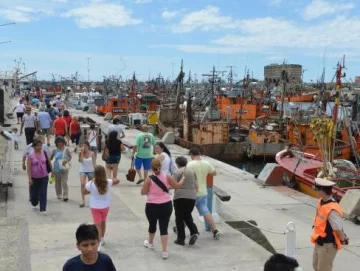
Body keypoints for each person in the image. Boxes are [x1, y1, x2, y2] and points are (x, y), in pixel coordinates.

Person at [140, 158, 185, 259]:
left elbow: (142, 192)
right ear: (161, 166)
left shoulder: (149, 178)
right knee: (164, 227)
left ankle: (150, 243)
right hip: (166, 205)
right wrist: (182, 179)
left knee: (152, 225)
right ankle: (164, 251)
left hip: (151, 206)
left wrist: (149, 191)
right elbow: (177, 186)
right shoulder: (167, 177)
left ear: (151, 168)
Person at [311, 178, 348, 271]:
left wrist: (343, 239)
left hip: (327, 245)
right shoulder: (321, 201)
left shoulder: (332, 209)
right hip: (319, 241)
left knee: (324, 269)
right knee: (316, 266)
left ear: (323, 191)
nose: (315, 191)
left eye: (317, 189)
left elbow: (338, 228)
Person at [83, 166, 120, 251]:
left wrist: (91, 191)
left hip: (95, 207)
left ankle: (98, 243)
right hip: (105, 206)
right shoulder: (108, 182)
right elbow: (117, 180)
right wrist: (110, 177)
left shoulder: (90, 184)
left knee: (97, 225)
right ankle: (102, 238)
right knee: (103, 223)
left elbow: (84, 192)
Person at [187, 147, 220, 239]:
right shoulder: (206, 163)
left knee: (186, 212)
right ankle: (215, 230)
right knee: (205, 211)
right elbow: (214, 173)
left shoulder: (190, 165)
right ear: (199, 154)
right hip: (203, 192)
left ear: (192, 155)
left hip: (192, 192)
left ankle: (179, 228)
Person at [172, 156, 199, 246]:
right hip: (191, 197)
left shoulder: (177, 172)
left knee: (179, 218)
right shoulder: (192, 172)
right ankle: (194, 232)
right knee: (187, 216)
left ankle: (181, 239)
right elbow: (196, 186)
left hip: (180, 197)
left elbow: (173, 184)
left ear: (177, 164)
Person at [27, 138, 52, 215]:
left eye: (40, 145)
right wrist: (30, 178)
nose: (39, 147)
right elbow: (28, 168)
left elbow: (48, 162)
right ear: (34, 147)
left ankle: (43, 209)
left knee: (43, 192)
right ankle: (34, 203)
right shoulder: (30, 155)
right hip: (34, 177)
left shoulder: (44, 153)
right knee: (34, 194)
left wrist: (52, 171)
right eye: (37, 145)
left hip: (44, 176)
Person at [23, 135, 51, 201]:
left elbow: (48, 157)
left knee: (41, 184)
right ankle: (32, 196)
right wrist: (23, 164)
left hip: (43, 170)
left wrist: (49, 167)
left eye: (39, 140)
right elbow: (24, 155)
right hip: (33, 168)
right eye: (36, 140)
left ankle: (40, 196)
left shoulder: (45, 147)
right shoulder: (29, 146)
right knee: (32, 184)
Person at [50, 136, 72, 201]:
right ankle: (59, 194)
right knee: (57, 182)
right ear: (56, 143)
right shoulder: (54, 150)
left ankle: (65, 195)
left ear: (63, 142)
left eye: (61, 142)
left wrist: (67, 160)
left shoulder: (66, 149)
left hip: (65, 168)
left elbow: (70, 157)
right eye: (58, 142)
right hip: (57, 168)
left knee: (64, 182)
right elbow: (50, 158)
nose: (60, 143)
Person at [79, 142, 96, 208]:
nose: (84, 147)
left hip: (91, 170)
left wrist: (96, 171)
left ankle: (92, 200)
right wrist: (82, 153)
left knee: (91, 185)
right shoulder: (81, 153)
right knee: (82, 184)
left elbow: (94, 163)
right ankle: (83, 200)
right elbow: (81, 161)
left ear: (88, 147)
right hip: (83, 170)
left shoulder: (92, 153)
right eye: (83, 146)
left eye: (85, 146)